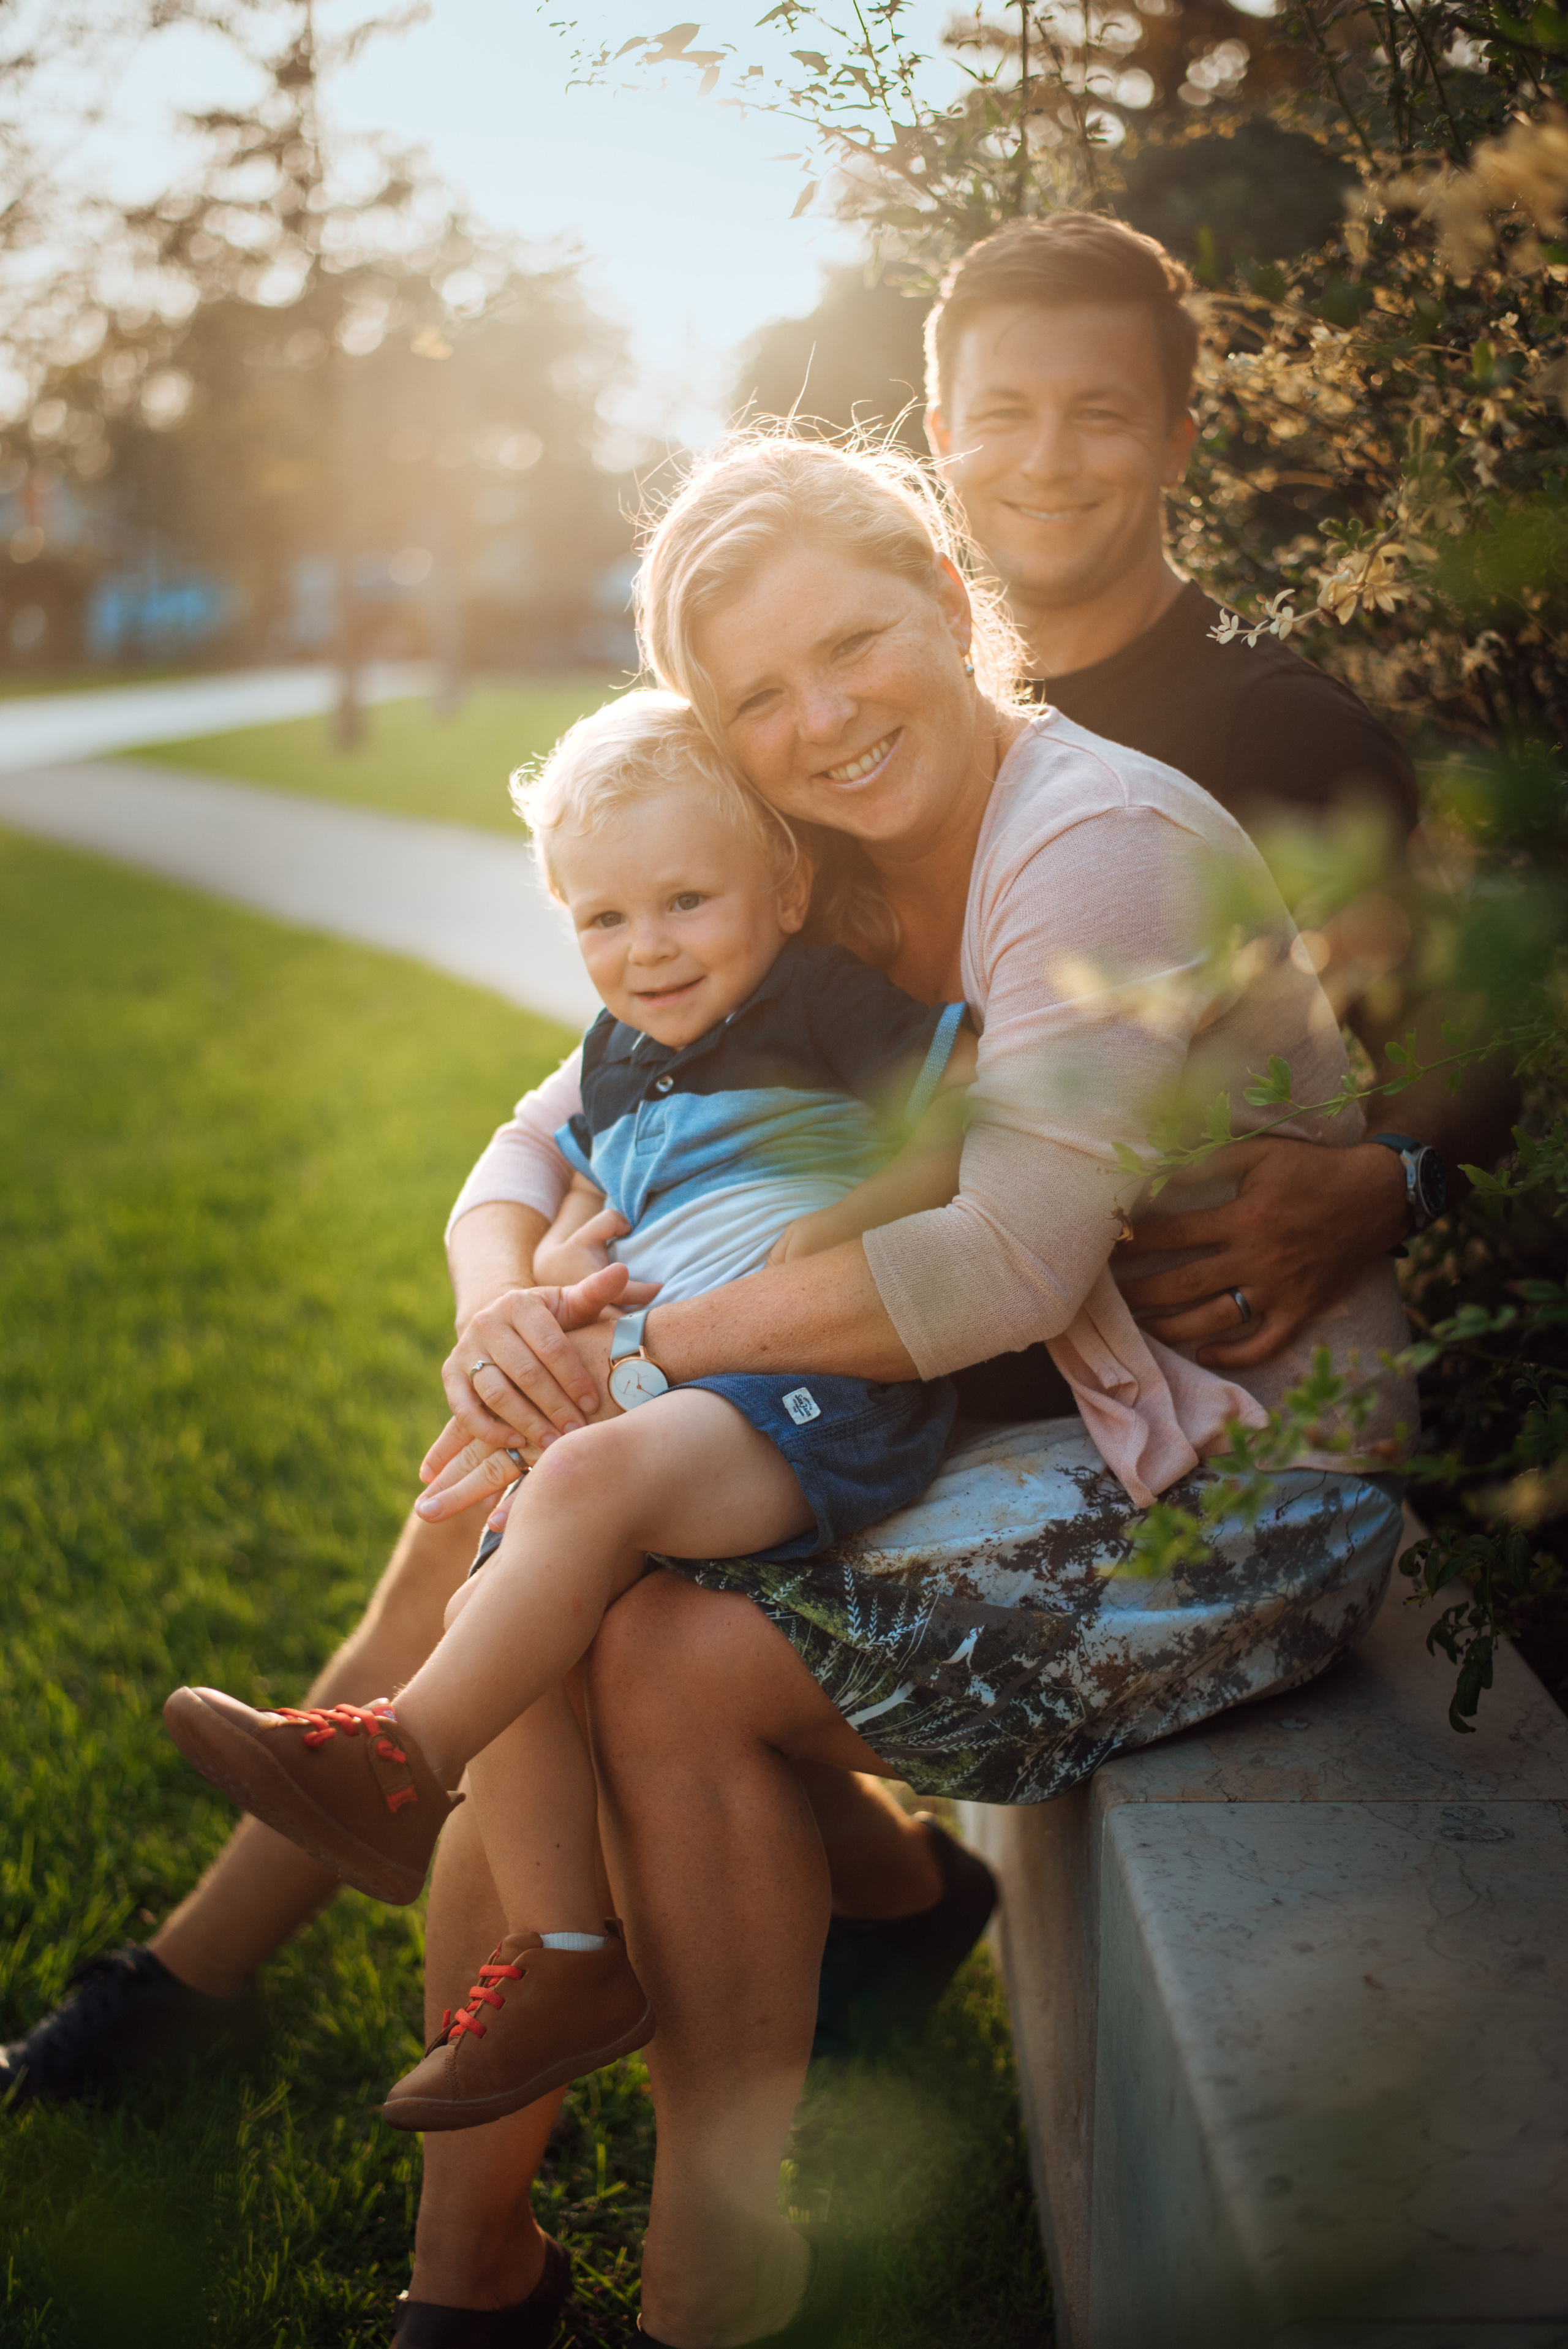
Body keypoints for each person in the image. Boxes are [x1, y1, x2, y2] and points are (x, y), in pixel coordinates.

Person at [405, 425, 1412, 2345]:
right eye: (758, 696)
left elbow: (1008, 1262)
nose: (826, 719)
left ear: (951, 607)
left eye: (855, 644)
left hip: (1245, 1475)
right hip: (1021, 1421)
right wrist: (500, 1307)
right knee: (551, 1607)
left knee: (652, 1652)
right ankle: (469, 2274)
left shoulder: (1093, 845)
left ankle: (706, 2273)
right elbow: (546, 1119)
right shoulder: (823, 874)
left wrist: (638, 1344)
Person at [162, 685, 984, 2134]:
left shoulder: (817, 999)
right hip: (671, 1398)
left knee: (575, 1493)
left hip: (817, 1394)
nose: (646, 947)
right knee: (507, 1572)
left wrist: (856, 1219)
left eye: (684, 902)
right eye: (604, 919)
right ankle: (562, 1951)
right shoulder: (615, 1057)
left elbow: (961, 1098)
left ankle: (400, 1759)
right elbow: (571, 1198)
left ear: (785, 890)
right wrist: (545, 1269)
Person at [921, 211, 1515, 1394]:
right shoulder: (889, 720)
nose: (1047, 459)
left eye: (1100, 414)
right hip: (912, 1375)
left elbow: (1468, 1042)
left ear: (1177, 444)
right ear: (941, 437)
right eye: (1003, 413)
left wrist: (1385, 1186)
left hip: (1197, 1406)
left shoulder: (1281, 733)